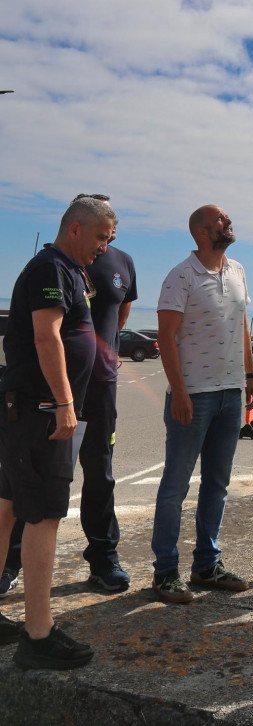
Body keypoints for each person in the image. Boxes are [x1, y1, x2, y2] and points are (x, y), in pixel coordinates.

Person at [0, 196, 116, 669]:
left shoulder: (69, 269)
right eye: (101, 237)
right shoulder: (51, 268)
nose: (103, 248)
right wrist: (66, 405)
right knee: (43, 515)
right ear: (75, 229)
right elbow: (47, 336)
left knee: (7, 506)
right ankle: (38, 634)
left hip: (30, 409)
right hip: (41, 411)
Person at [150, 205, 253, 604]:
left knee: (217, 484)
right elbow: (166, 336)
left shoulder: (238, 270)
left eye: (228, 219)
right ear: (200, 232)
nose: (228, 224)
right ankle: (165, 572)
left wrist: (250, 376)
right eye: (219, 221)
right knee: (175, 486)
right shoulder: (181, 276)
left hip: (231, 395)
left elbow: (244, 326)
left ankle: (206, 565)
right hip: (193, 396)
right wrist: (178, 391)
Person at [73, 193, 138, 593]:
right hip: (54, 384)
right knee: (33, 475)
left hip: (102, 386)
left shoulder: (122, 261)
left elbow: (121, 310)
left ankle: (102, 557)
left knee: (100, 473)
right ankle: (10, 561)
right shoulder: (61, 263)